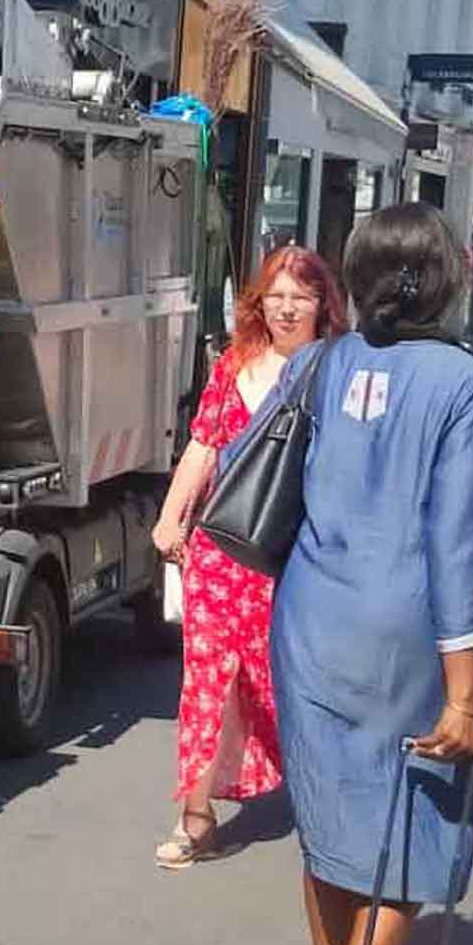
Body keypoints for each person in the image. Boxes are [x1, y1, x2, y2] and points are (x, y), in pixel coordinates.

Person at [271, 204, 473, 945]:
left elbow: (255, 464)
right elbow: (456, 544)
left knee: (328, 819)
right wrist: (466, 694)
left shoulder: (320, 363)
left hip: (308, 616)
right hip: (406, 630)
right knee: (410, 834)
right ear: (445, 279)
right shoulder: (469, 383)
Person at [149, 245, 347, 869]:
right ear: (259, 302)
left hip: (296, 557)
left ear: (323, 304)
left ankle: (325, 793)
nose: (287, 308)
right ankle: (195, 815)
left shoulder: (336, 370)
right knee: (205, 682)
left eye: (301, 296)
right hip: (222, 549)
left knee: (281, 682)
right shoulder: (235, 366)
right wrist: (170, 514)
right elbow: (203, 445)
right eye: (276, 296)